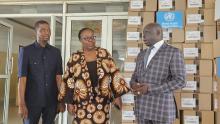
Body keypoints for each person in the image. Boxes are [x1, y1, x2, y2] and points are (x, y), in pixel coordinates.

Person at [58, 27, 129, 124]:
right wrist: (69, 103)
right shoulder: (75, 57)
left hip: (102, 101)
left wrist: (117, 96)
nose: (90, 40)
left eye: (92, 37)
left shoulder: (104, 53)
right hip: (81, 101)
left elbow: (114, 73)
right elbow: (68, 80)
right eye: (86, 38)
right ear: (80, 40)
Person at [130, 23, 186, 124]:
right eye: (143, 33)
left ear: (158, 32)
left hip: (161, 111)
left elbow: (180, 81)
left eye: (147, 32)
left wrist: (150, 88)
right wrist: (133, 84)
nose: (144, 36)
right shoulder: (141, 54)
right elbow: (135, 76)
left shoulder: (173, 52)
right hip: (141, 109)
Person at [18, 20, 65, 124]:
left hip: (52, 100)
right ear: (36, 32)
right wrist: (21, 104)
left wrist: (61, 100)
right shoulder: (26, 51)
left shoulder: (56, 52)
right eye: (42, 30)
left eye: (48, 30)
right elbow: (22, 79)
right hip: (32, 101)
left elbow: (58, 78)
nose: (47, 33)